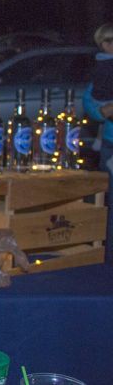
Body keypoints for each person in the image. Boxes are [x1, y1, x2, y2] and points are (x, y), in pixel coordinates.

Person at [82, 21, 113, 264]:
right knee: (110, 202)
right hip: (111, 144)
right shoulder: (103, 69)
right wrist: (103, 109)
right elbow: (91, 103)